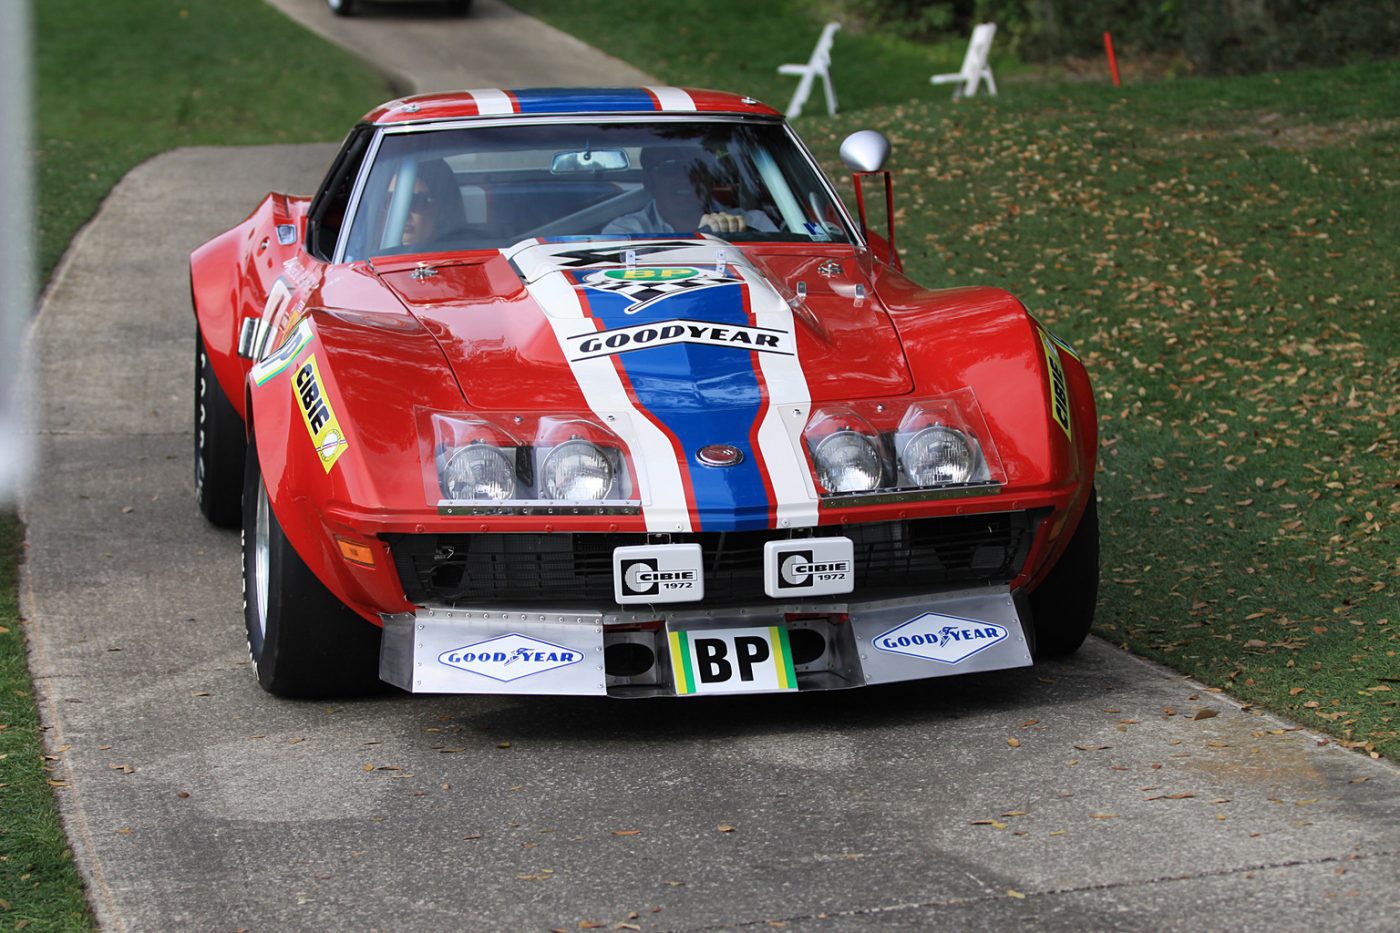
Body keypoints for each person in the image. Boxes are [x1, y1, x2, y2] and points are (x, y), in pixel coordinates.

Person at [603, 146, 778, 237]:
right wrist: (705, 239)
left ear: (710, 178)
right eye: (670, 169)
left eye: (696, 168)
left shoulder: (755, 223)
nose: (686, 178)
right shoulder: (624, 232)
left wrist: (739, 238)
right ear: (649, 182)